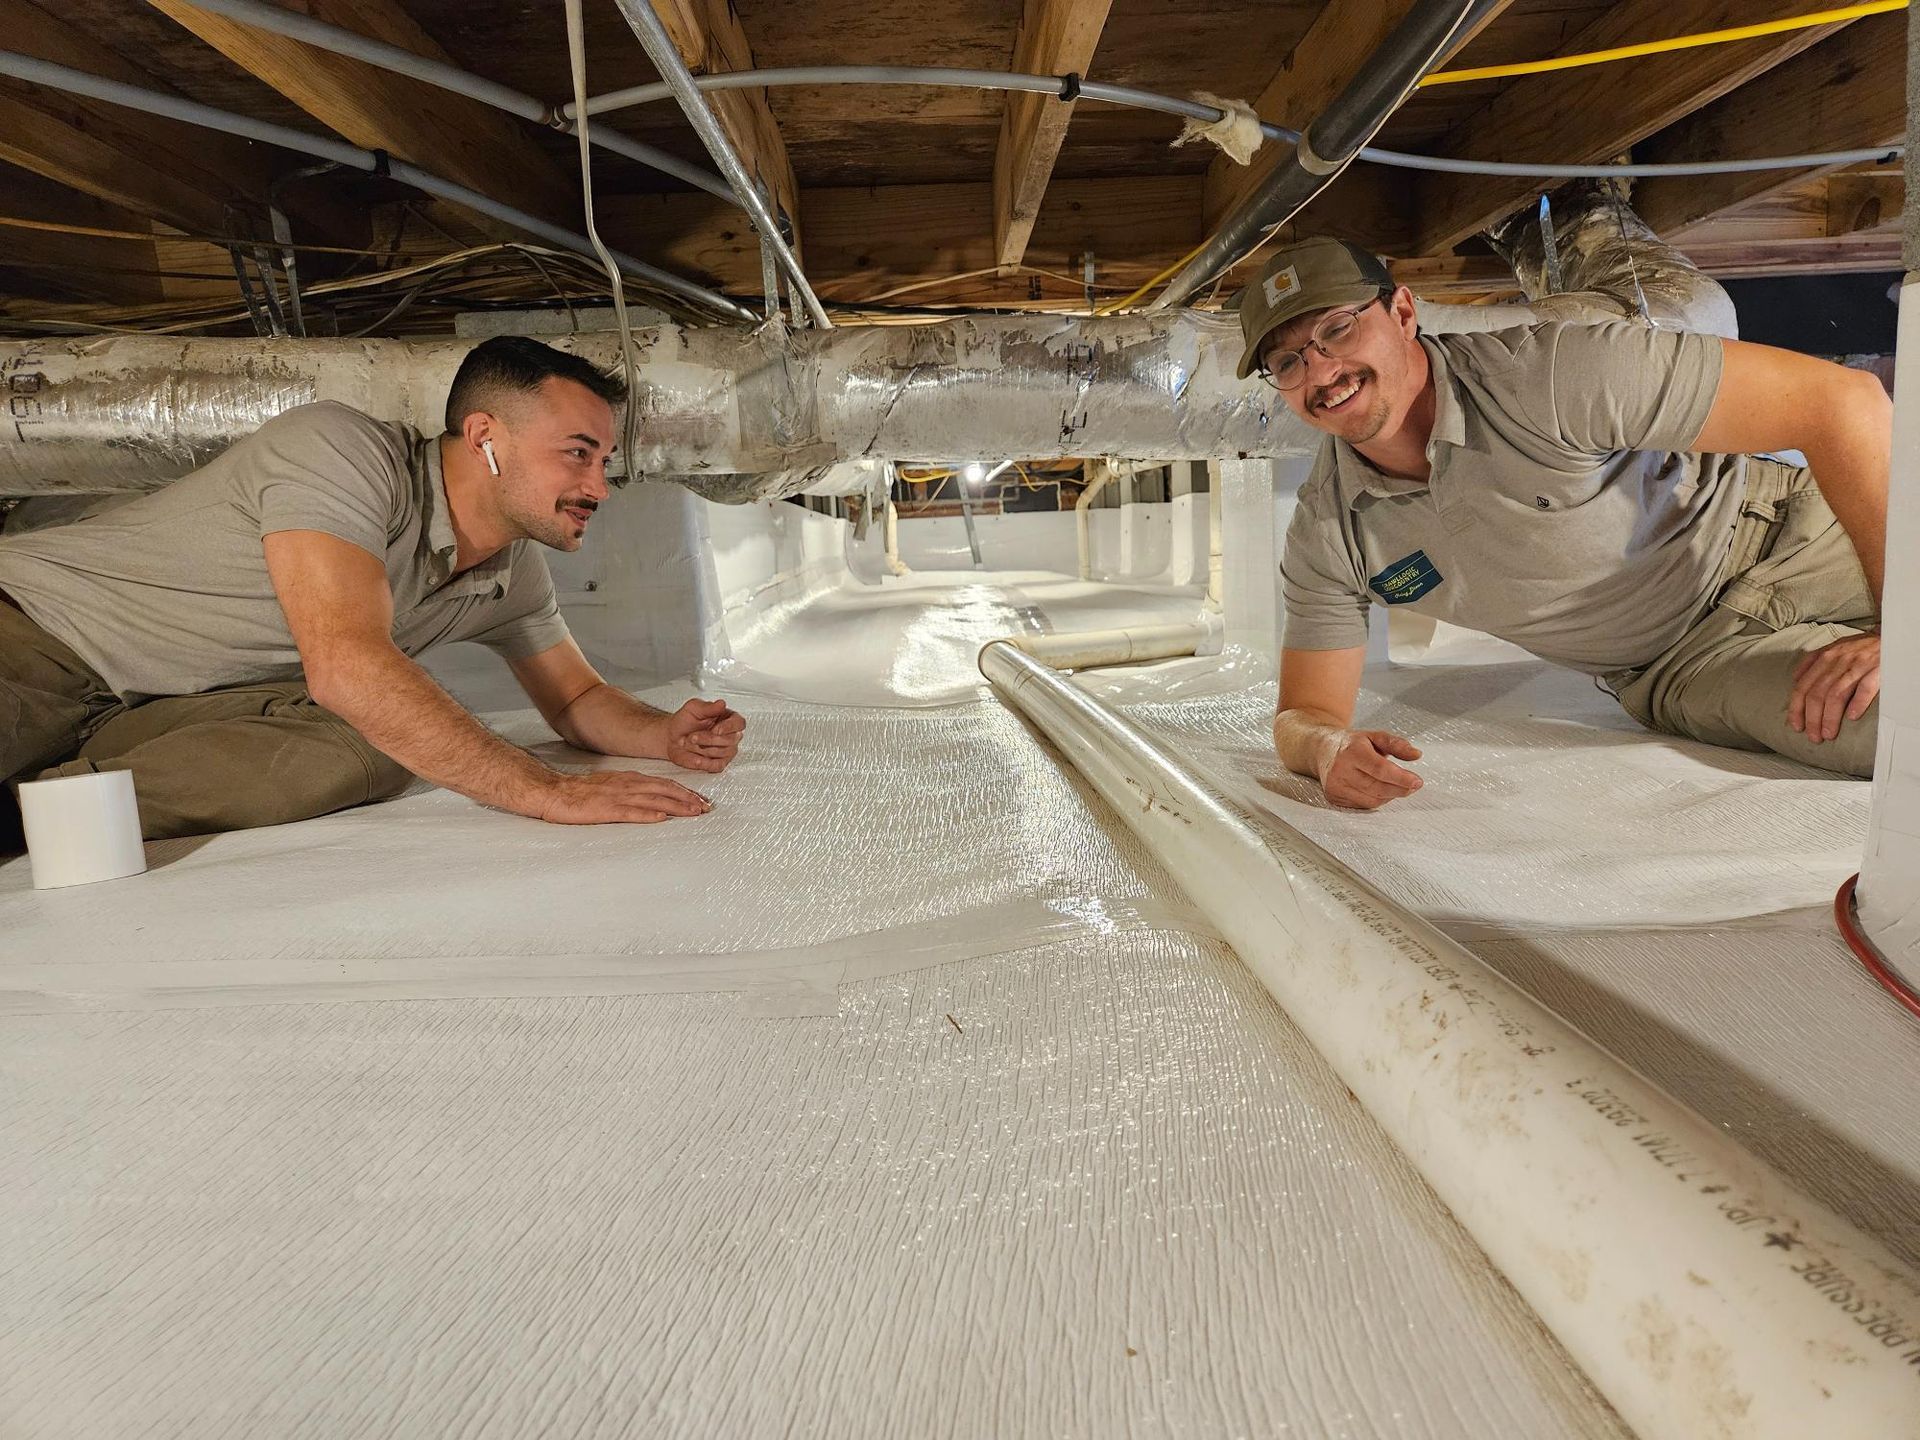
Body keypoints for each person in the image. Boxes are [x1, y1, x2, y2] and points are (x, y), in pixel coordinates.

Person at [1237, 205, 1889, 811]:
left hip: (1787, 534)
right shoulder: (1330, 530)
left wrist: (1904, 631)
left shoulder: (1548, 372)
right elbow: (1305, 715)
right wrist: (1327, 751)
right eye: (1289, 361)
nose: (1322, 371)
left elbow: (1843, 404)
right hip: (1685, 664)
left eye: (1337, 329)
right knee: (1896, 733)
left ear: (1404, 312)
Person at [0, 335, 744, 842]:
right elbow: (346, 661)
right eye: (578, 456)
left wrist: (660, 733)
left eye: (603, 461)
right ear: (486, 438)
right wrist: (542, 790)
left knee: (381, 744)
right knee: (383, 703)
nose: (599, 487)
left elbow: (575, 699)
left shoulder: (508, 570)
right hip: (37, 646)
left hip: (149, 713)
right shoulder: (342, 451)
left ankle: (39, 813)